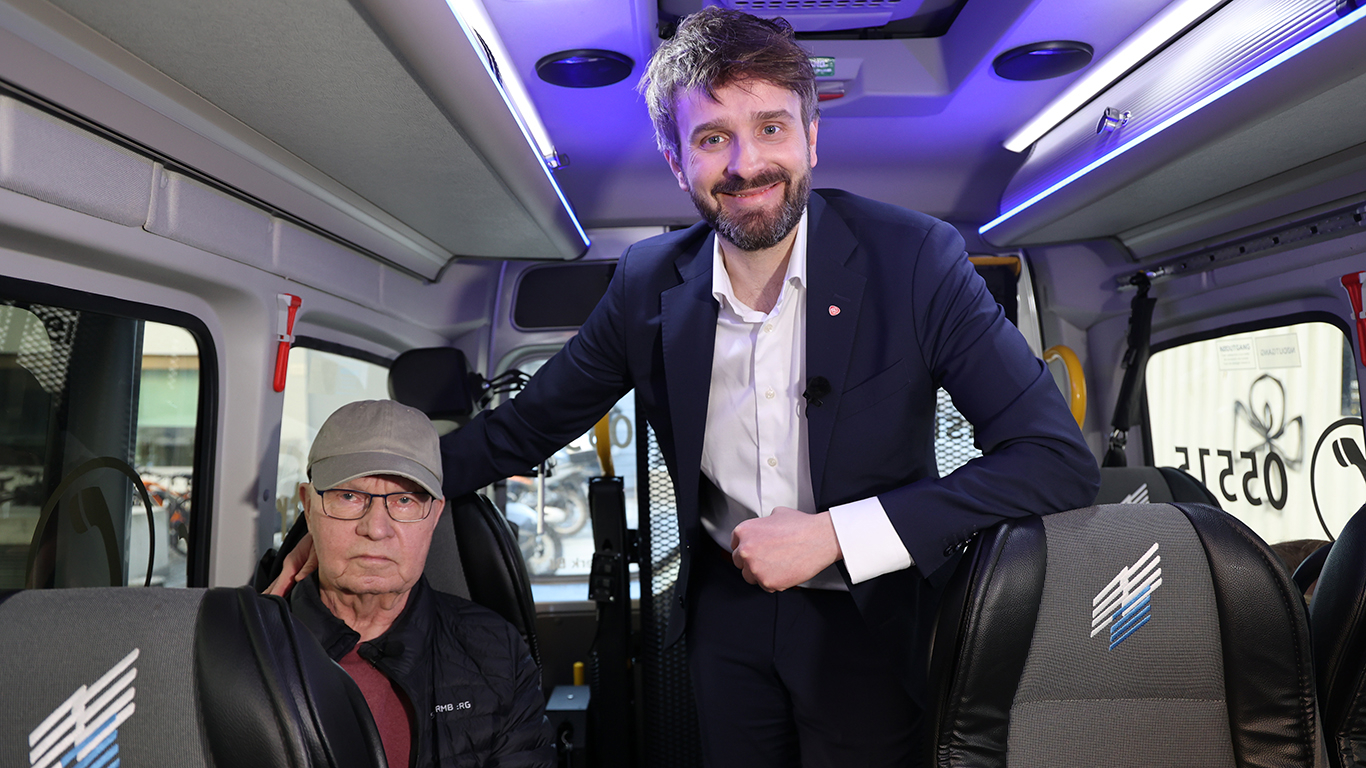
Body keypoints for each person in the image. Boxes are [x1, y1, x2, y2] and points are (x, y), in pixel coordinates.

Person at [273, 9, 1100, 765]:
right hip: (727, 620)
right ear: (677, 161)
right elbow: (523, 429)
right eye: (712, 138)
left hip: (875, 618)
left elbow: (1053, 461)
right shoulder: (645, 284)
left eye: (771, 127)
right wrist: (357, 506)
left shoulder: (913, 259)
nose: (746, 164)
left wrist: (837, 535)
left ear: (812, 137)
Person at [285, 399, 554, 768]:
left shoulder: (498, 654)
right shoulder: (243, 646)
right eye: (349, 496)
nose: (376, 529)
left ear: (435, 515)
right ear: (308, 506)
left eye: (404, 500)